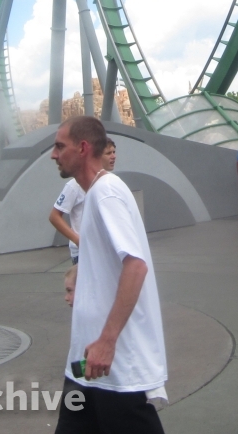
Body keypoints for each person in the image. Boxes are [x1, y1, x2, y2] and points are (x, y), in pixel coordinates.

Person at [52, 116, 167, 433]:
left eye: (60, 146)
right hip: (84, 364)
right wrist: (81, 275)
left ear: (83, 148)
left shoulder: (106, 193)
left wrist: (107, 340)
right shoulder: (94, 195)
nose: (53, 154)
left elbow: (136, 264)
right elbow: (110, 261)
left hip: (114, 368)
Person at [50, 173, 86, 264]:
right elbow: (54, 216)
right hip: (82, 254)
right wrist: (79, 241)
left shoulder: (108, 182)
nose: (113, 157)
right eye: (107, 156)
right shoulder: (74, 186)